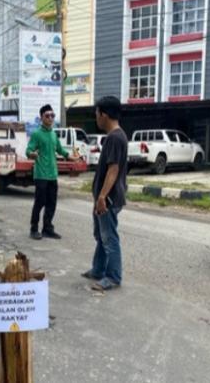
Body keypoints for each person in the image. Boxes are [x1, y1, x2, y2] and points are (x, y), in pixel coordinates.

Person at [81, 96, 128, 292]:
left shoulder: (115, 138)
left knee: (109, 237)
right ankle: (98, 270)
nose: (96, 117)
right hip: (105, 197)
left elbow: (113, 170)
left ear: (104, 114)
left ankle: (113, 277)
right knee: (101, 236)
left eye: (97, 113)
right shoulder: (115, 136)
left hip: (108, 198)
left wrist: (101, 197)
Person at [26, 104, 80, 240]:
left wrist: (71, 157)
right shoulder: (37, 134)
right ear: (41, 118)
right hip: (41, 175)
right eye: (47, 116)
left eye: (52, 115)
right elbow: (28, 150)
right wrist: (32, 154)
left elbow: (61, 150)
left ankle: (47, 228)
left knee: (52, 202)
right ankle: (34, 229)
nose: (50, 118)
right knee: (40, 202)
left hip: (52, 175)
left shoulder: (53, 134)